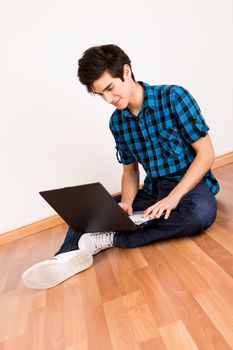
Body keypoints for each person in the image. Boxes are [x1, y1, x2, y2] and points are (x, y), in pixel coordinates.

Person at [22, 44, 220, 289]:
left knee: (200, 213)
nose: (108, 99)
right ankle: (63, 258)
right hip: (153, 190)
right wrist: (126, 203)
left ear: (126, 72)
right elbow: (130, 171)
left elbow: (206, 154)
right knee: (90, 211)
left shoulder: (174, 97)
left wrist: (174, 197)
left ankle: (112, 238)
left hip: (190, 185)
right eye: (100, 94)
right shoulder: (117, 122)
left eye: (109, 88)